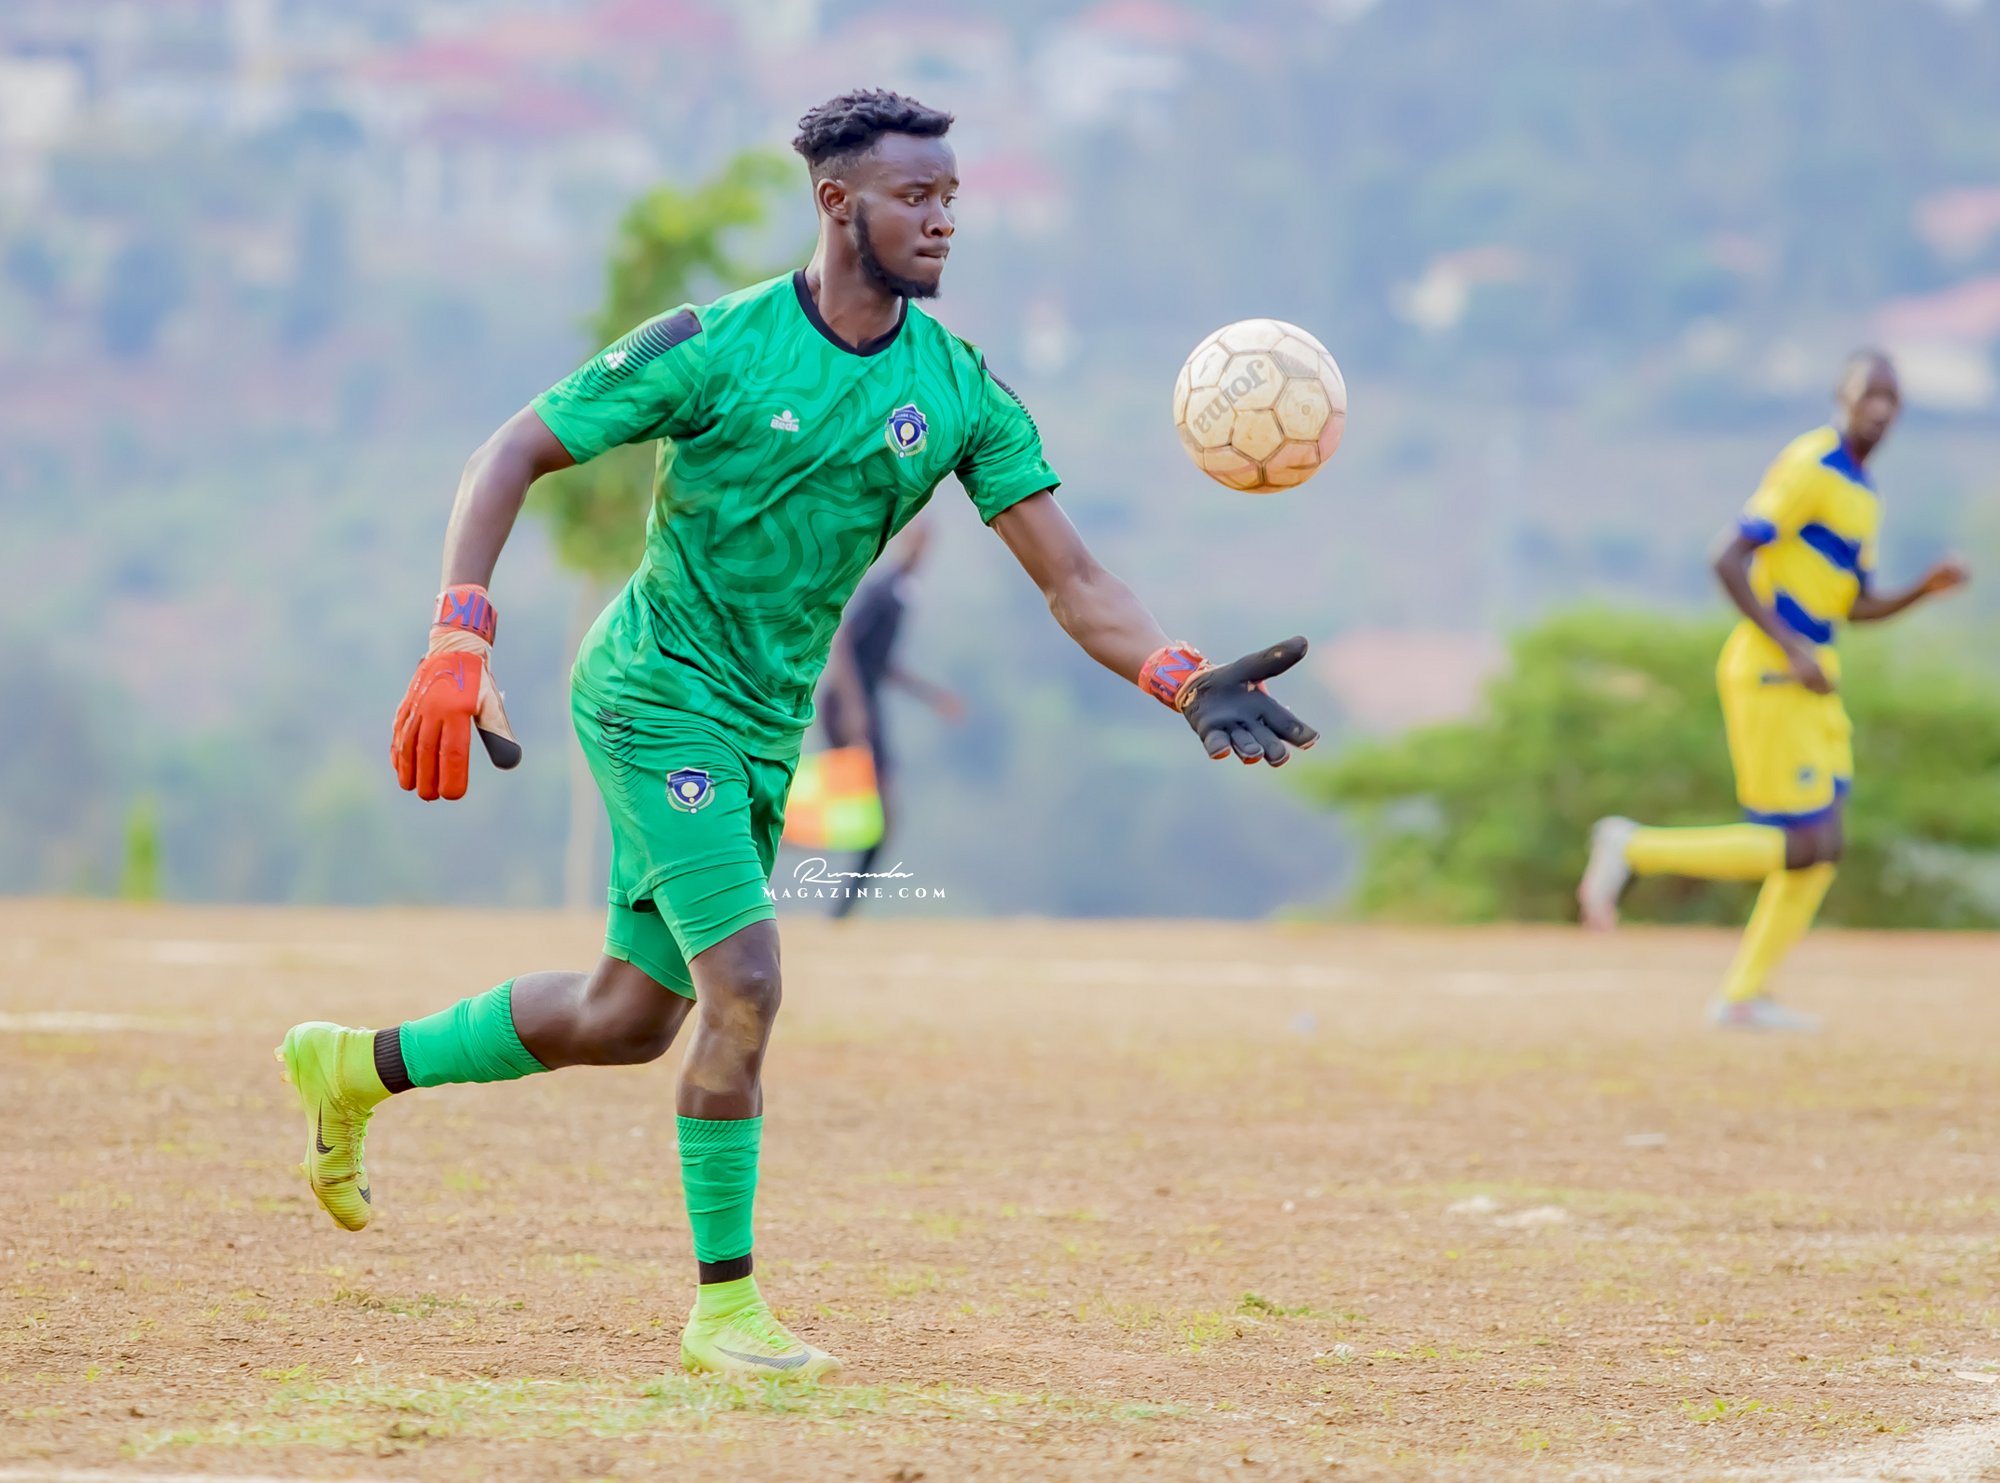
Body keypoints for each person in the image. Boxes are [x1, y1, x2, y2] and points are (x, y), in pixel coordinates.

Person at [274, 89, 1317, 1382]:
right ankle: (725, 1314)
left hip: (763, 728)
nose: (941, 220)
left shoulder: (957, 389)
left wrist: (1180, 675)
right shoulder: (713, 345)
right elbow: (510, 452)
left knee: (625, 1016)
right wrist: (458, 635)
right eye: (914, 197)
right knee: (749, 984)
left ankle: (351, 1066)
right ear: (837, 203)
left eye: (950, 198)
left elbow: (1074, 579)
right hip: (654, 694)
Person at [1577, 351, 1968, 1030]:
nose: (1879, 408)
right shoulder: (1811, 463)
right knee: (1797, 842)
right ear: (1842, 397)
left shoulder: (1863, 492)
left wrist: (1922, 591)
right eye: (1868, 394)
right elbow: (1727, 556)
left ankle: (1743, 996)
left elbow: (1856, 605)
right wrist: (1789, 648)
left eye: (1890, 398)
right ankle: (1630, 847)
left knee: (1825, 846)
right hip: (1772, 668)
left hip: (1814, 673)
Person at [815, 516, 961, 917]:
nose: (919, 549)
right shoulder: (884, 590)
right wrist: (854, 708)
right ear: (903, 541)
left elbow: (881, 663)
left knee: (880, 811)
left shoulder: (902, 594)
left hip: (865, 703)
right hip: (848, 705)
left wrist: (933, 696)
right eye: (915, 539)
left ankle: (842, 910)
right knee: (868, 803)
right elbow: (842, 640)